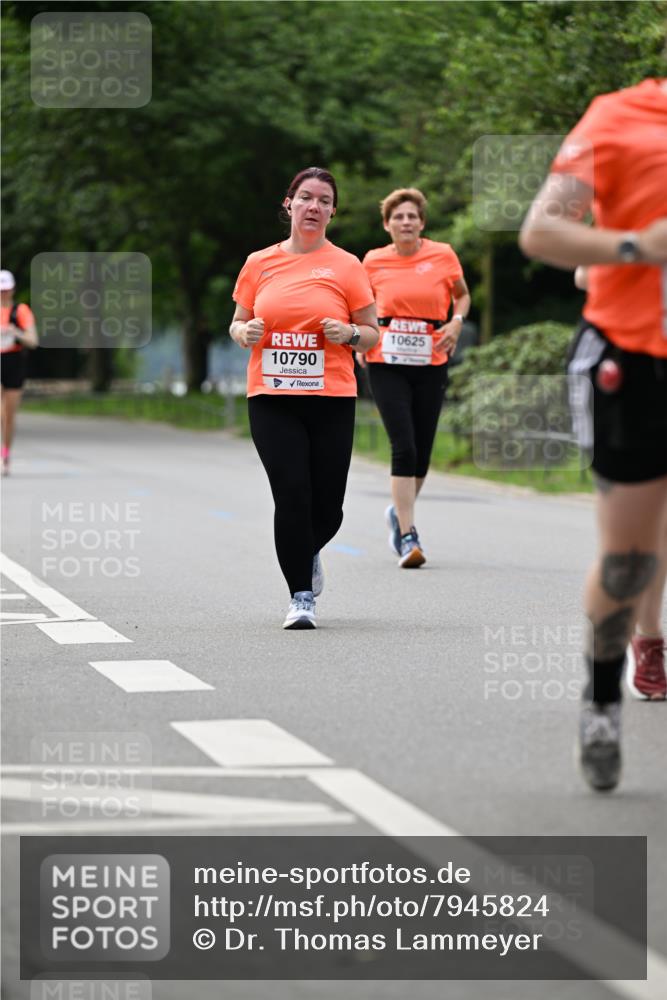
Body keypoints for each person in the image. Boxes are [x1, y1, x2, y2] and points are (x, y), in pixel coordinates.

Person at [519, 77, 667, 791]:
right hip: (636, 360)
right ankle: (603, 698)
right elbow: (541, 231)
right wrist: (638, 245)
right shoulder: (618, 117)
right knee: (629, 560)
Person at [229, 167, 379, 629]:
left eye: (324, 200)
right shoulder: (259, 262)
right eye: (306, 197)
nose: (314, 206)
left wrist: (350, 332)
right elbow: (237, 323)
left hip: (331, 397)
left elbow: (372, 335)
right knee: (291, 495)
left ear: (333, 211)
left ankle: (307, 548)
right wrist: (245, 331)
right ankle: (300, 596)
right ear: (289, 203)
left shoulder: (347, 266)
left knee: (328, 506)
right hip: (272, 397)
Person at [361, 188, 471, 567]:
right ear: (387, 224)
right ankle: (408, 536)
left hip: (431, 356)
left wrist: (456, 322)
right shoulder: (372, 261)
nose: (405, 222)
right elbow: (359, 304)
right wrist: (362, 338)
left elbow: (463, 296)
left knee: (422, 451)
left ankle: (397, 512)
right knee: (403, 445)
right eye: (398, 217)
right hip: (385, 359)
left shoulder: (442, 255)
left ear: (422, 223)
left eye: (412, 216)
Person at [574, 266, 667, 704]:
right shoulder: (635, 202)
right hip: (634, 362)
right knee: (633, 544)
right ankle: (635, 654)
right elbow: (571, 261)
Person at [1, 269, 38, 475]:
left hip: (14, 361)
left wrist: (15, 332)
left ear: (12, 290)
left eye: (6, 290)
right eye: (0, 291)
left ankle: (5, 453)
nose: (3, 294)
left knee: (9, 414)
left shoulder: (20, 311)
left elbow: (33, 341)